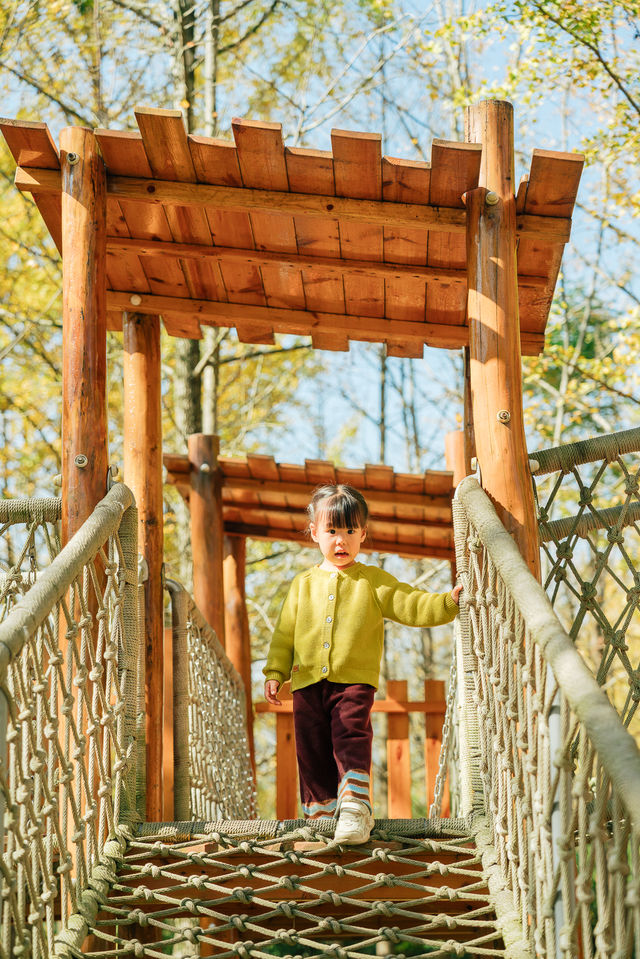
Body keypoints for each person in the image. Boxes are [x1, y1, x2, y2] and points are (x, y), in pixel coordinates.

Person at [263, 483, 462, 844]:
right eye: (332, 531)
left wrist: (447, 602)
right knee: (311, 750)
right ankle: (320, 815)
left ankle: (355, 808)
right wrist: (275, 672)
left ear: (363, 534)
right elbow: (284, 635)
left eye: (350, 531)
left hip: (354, 682)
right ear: (314, 533)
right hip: (306, 682)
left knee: (349, 737)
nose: (341, 540)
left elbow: (410, 602)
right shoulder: (302, 585)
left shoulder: (371, 581)